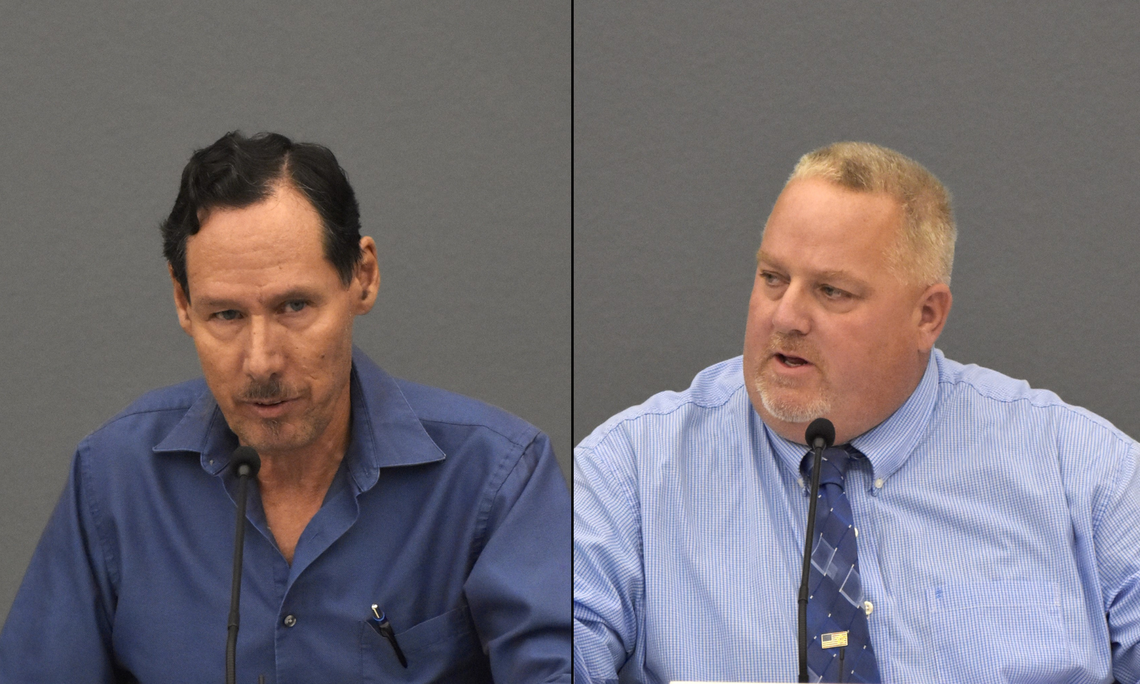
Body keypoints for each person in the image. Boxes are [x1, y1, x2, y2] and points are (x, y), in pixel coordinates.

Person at [0, 131, 571, 683]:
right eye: (225, 315)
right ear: (182, 301)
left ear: (362, 277)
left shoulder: (493, 480)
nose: (261, 362)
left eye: (294, 306)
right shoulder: (115, 476)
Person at [573, 142, 1140, 683]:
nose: (786, 316)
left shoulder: (1085, 471)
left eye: (831, 291)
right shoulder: (629, 471)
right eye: (773, 278)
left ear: (927, 315)